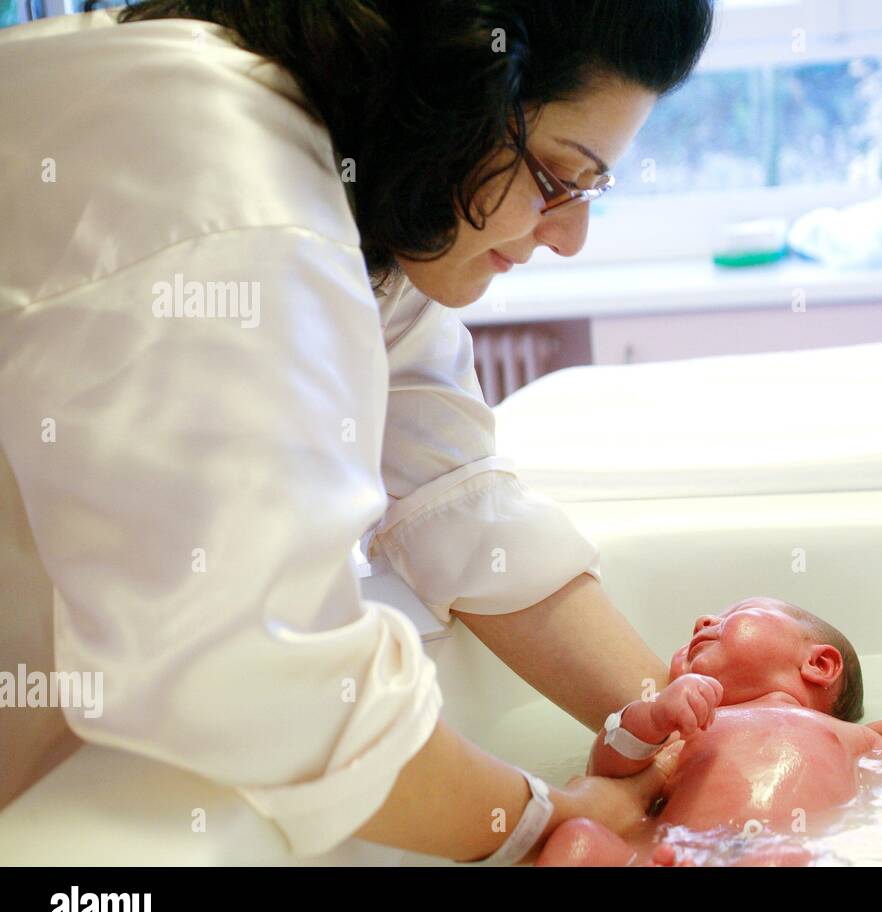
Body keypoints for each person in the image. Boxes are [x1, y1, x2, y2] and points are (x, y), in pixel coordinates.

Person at [0, 1, 713, 863]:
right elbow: (253, 679)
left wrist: (687, 733)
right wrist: (554, 821)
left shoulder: (371, 194)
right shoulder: (236, 191)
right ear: (462, 91)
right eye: (559, 180)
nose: (569, 237)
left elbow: (451, 496)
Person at [536, 597, 882, 866]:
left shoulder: (851, 738)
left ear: (819, 664)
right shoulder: (690, 725)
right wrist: (652, 717)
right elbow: (609, 769)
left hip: (763, 855)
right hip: (663, 853)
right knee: (579, 839)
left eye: (733, 613)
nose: (702, 620)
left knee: (784, 858)